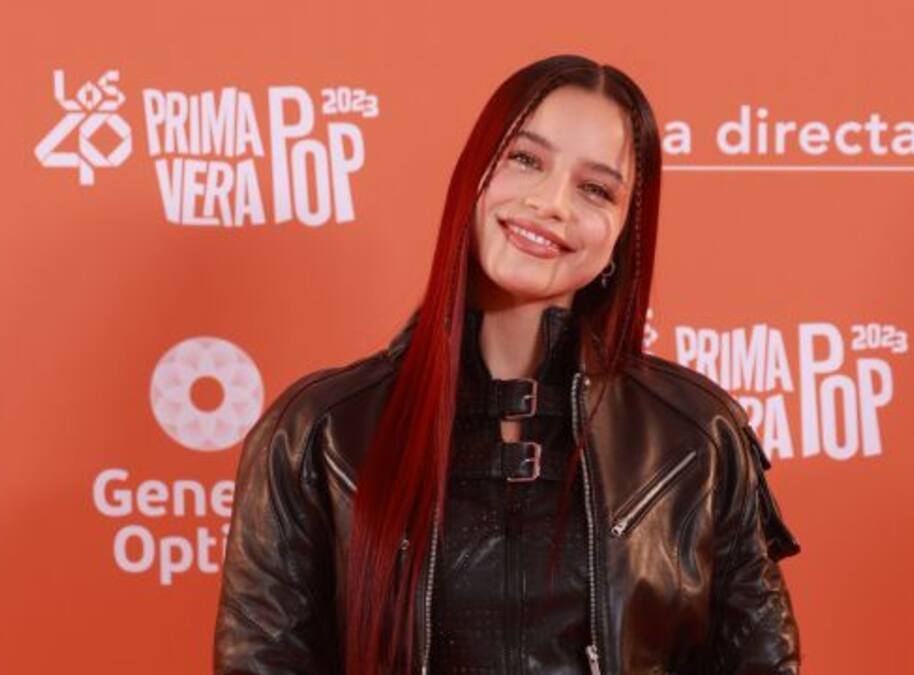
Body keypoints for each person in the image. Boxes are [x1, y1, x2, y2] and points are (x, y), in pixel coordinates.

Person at [213, 53, 801, 675]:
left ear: (623, 234)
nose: (552, 203)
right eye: (525, 159)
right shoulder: (317, 432)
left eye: (596, 189)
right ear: (474, 177)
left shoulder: (697, 436)